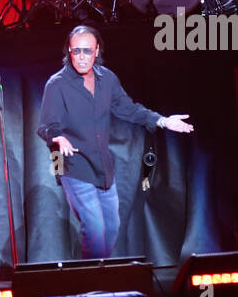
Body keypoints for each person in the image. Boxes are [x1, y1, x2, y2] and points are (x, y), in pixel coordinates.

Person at [37, 24, 193, 259]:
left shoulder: (107, 79)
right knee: (95, 228)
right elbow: (46, 126)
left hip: (102, 164)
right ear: (69, 52)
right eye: (76, 51)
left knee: (111, 227)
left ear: (97, 50)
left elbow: (129, 109)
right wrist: (58, 137)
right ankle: (95, 286)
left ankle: (99, 275)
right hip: (71, 164)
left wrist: (162, 121)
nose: (81, 57)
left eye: (87, 51)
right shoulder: (57, 84)